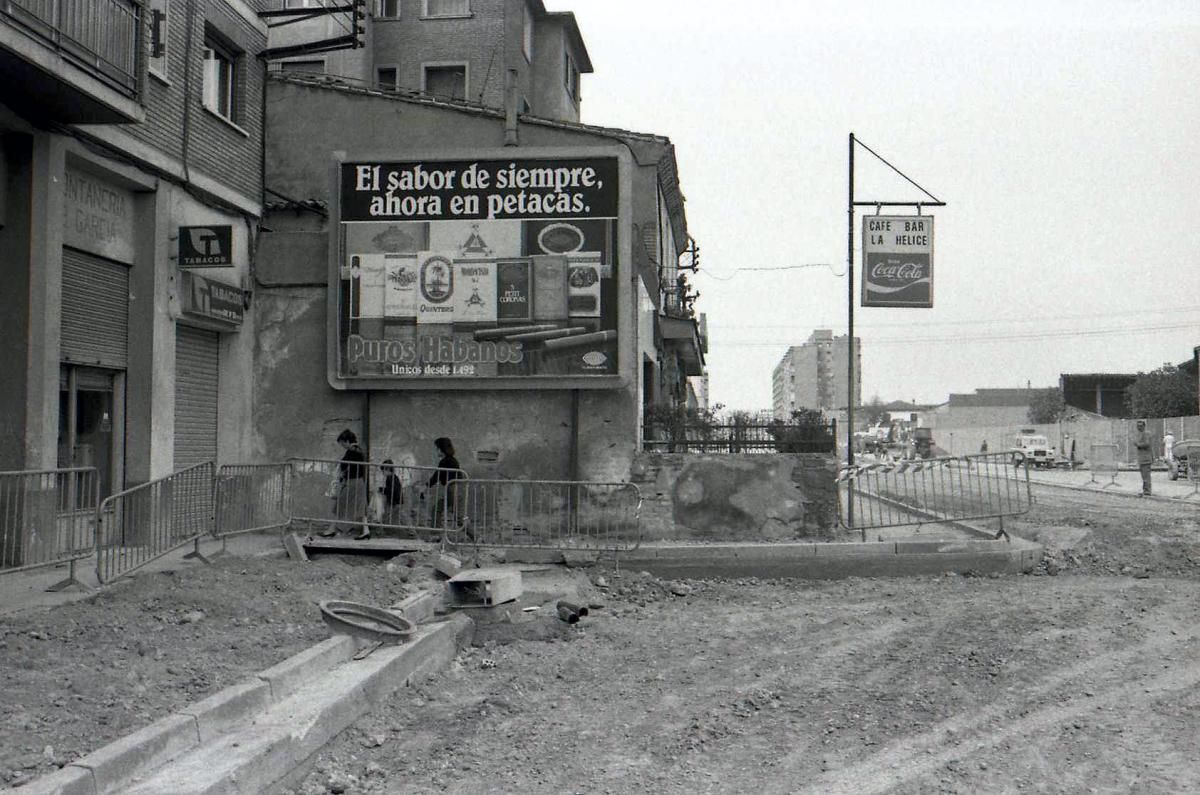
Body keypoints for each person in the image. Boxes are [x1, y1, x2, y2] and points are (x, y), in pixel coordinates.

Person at [322, 428, 369, 539]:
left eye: (343, 443)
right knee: (361, 507)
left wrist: (341, 468)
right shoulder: (359, 450)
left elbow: (345, 466)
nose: (343, 446)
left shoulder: (352, 451)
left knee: (339, 506)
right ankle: (366, 530)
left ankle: (332, 529)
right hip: (359, 482)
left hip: (352, 482)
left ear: (347, 441)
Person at [427, 437, 465, 529]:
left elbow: (437, 476)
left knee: (438, 511)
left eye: (437, 449)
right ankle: (437, 534)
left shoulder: (446, 461)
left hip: (453, 490)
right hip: (454, 490)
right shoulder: (452, 460)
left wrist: (426, 485)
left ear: (442, 449)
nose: (436, 451)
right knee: (437, 510)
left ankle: (476, 536)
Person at [378, 459, 404, 528]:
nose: (382, 472)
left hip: (395, 502)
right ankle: (380, 530)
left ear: (388, 469)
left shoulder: (390, 478)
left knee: (401, 518)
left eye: (383, 470)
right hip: (395, 501)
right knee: (386, 515)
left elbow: (392, 490)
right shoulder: (393, 477)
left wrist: (381, 489)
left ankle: (380, 530)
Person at [1133, 419, 1153, 497]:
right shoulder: (1141, 434)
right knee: (1144, 475)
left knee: (1146, 475)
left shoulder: (1146, 433)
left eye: (1140, 426)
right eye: (1138, 426)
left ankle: (1147, 491)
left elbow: (1147, 444)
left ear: (1144, 426)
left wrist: (1138, 444)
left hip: (1146, 458)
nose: (1139, 427)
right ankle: (1145, 490)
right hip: (1142, 458)